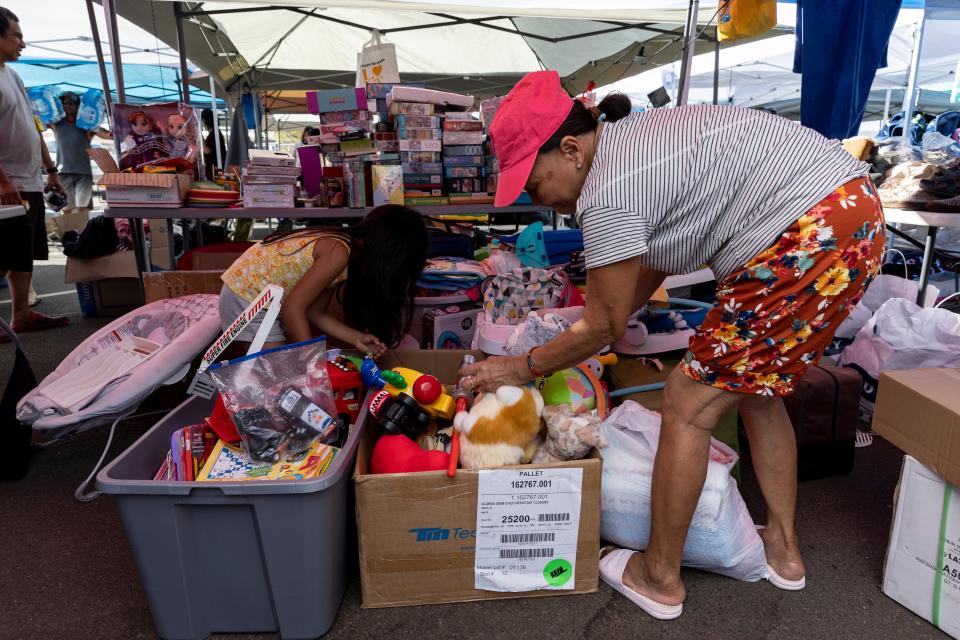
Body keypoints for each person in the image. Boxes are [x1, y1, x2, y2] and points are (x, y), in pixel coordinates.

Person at [461, 71, 885, 619]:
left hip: (806, 235)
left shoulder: (605, 193)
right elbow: (642, 272)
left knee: (687, 403)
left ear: (569, 149)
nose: (537, 198)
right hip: (850, 215)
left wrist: (518, 366)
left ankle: (658, 576)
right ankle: (783, 553)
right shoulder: (631, 147)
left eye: (534, 183)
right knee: (754, 390)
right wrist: (590, 318)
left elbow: (606, 327)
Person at [218, 205, 428, 354]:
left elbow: (313, 312)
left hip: (258, 299)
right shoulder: (338, 253)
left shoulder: (344, 258)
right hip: (246, 297)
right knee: (280, 373)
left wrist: (356, 338)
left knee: (285, 371)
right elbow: (293, 308)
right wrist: (310, 359)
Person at [0, 6, 69, 335]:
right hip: (7, 184)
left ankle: (22, 315)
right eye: (16, 35)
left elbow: (32, 126)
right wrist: (2, 181)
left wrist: (51, 169)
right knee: (3, 253)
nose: (22, 43)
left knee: (21, 253)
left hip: (26, 181)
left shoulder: (12, 75)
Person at [47, 90, 112, 214]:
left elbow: (102, 132)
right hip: (63, 171)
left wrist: (112, 134)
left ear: (79, 105)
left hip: (84, 172)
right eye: (64, 103)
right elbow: (39, 120)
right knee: (66, 208)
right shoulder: (57, 123)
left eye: (72, 103)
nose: (68, 106)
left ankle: (83, 232)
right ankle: (69, 232)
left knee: (83, 208)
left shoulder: (86, 124)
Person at [200, 108, 225, 180]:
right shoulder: (215, 133)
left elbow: (207, 151)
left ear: (204, 120)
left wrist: (200, 136)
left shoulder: (215, 134)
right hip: (215, 169)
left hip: (215, 171)